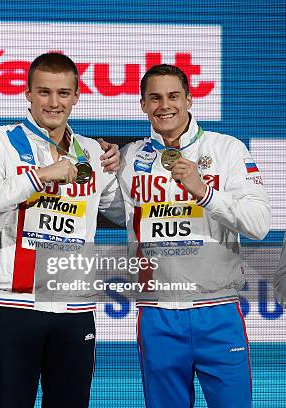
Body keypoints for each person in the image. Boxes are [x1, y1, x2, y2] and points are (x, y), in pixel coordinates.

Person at [0, 52, 123, 407]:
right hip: (15, 304)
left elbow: (122, 211)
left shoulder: (93, 152)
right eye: (44, 92)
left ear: (76, 97)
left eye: (63, 93)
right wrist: (38, 177)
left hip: (75, 311)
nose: (54, 102)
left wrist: (124, 164)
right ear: (28, 94)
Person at [117, 64, 271, 407]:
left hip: (218, 313)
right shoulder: (129, 158)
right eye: (154, 98)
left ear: (189, 99)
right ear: (143, 105)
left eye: (173, 96)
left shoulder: (227, 150)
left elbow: (259, 224)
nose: (164, 105)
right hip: (157, 315)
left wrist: (205, 193)